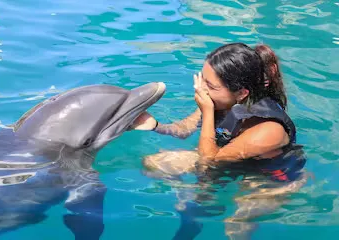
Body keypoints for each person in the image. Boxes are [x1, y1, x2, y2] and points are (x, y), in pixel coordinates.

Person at [131, 42, 307, 239]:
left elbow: (210, 159)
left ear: (242, 93)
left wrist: (207, 111)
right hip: (228, 161)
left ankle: (206, 206)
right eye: (202, 80)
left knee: (234, 225)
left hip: (270, 177)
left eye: (210, 86)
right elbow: (183, 129)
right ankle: (190, 200)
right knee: (154, 164)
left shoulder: (268, 129)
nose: (201, 90)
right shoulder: (219, 99)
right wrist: (154, 125)